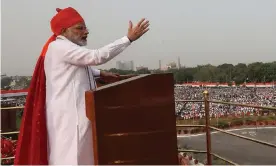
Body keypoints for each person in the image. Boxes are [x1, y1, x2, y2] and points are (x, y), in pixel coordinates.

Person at [14, 7, 149, 165]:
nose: (86, 32)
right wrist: (128, 39)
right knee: (71, 157)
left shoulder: (65, 48)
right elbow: (96, 56)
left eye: (86, 28)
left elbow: (77, 68)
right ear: (64, 30)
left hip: (77, 114)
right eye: (80, 28)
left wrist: (100, 73)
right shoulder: (60, 47)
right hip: (70, 117)